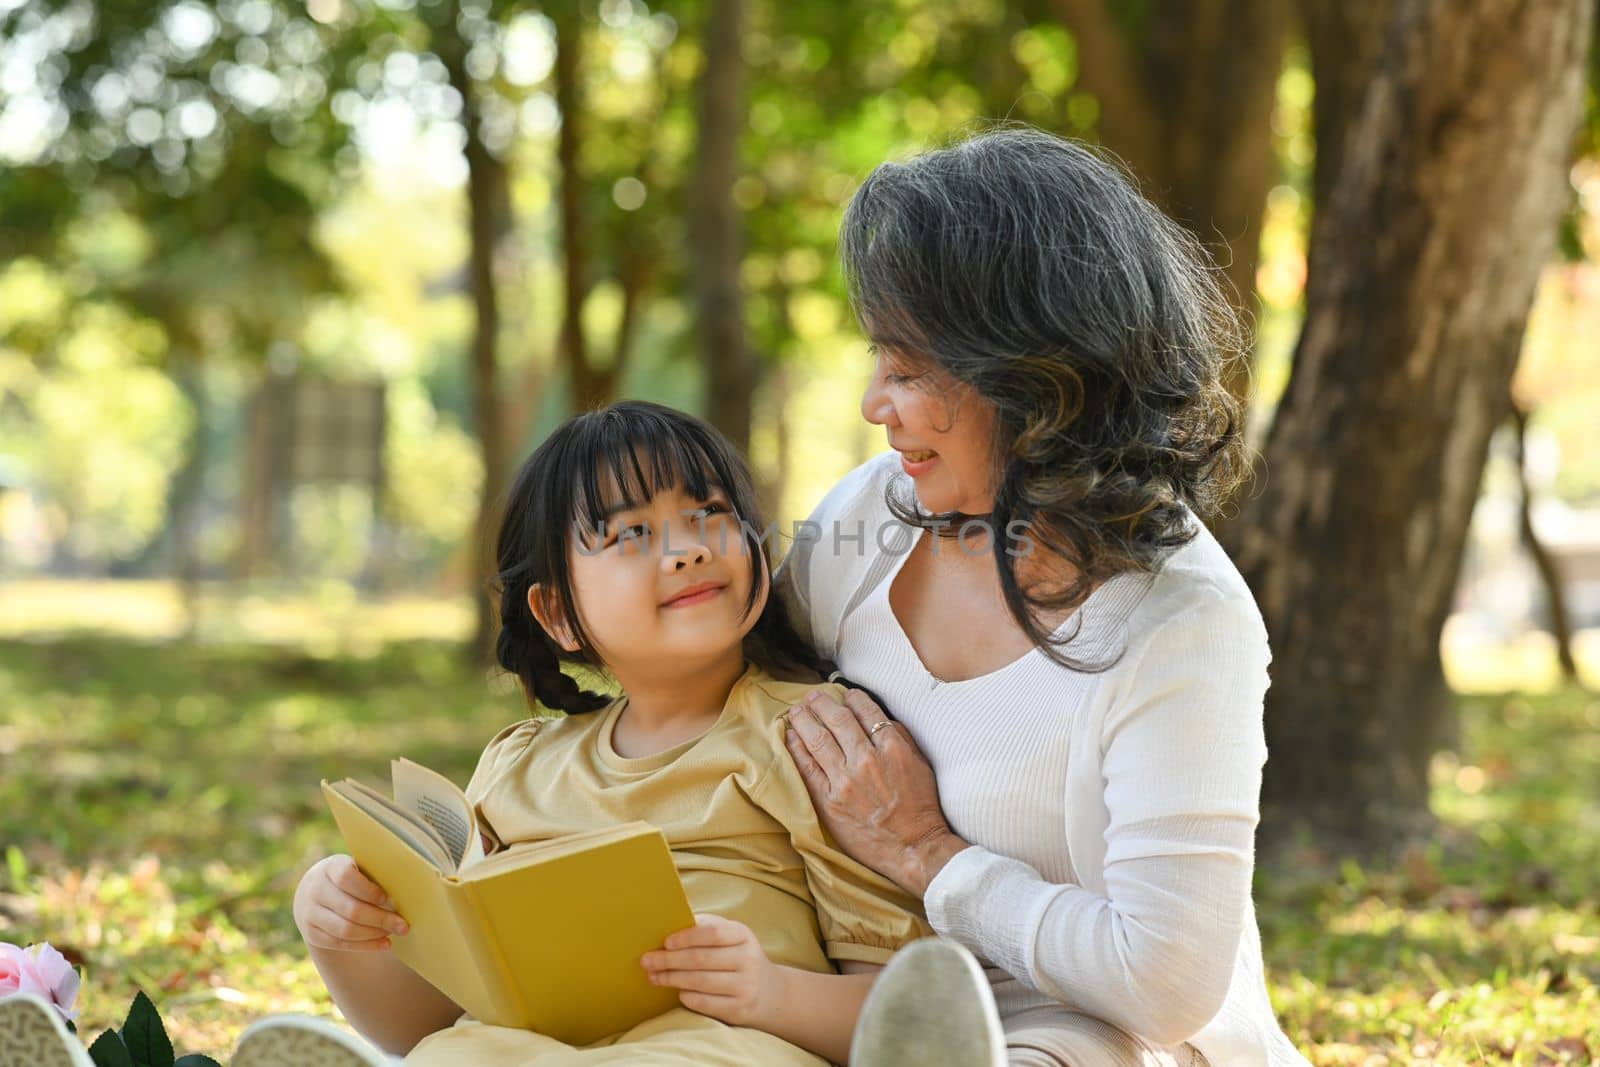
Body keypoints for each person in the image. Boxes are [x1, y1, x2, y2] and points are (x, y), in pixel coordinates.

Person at [779, 128, 1311, 1067]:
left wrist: (928, 854)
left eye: (906, 370)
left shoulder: (1181, 621)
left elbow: (1165, 983)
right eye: (879, 361)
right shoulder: (872, 518)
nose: (873, 403)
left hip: (1094, 1034)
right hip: (848, 1000)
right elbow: (722, 707)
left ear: (1031, 377)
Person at [246, 401, 931, 1067]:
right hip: (528, 1047)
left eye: (710, 514)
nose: (688, 549)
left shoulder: (815, 738)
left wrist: (771, 992)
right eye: (633, 534)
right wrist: (334, 927)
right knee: (455, 1051)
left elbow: (910, 1019)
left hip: (721, 1046)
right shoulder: (521, 765)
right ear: (557, 613)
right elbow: (418, 1023)